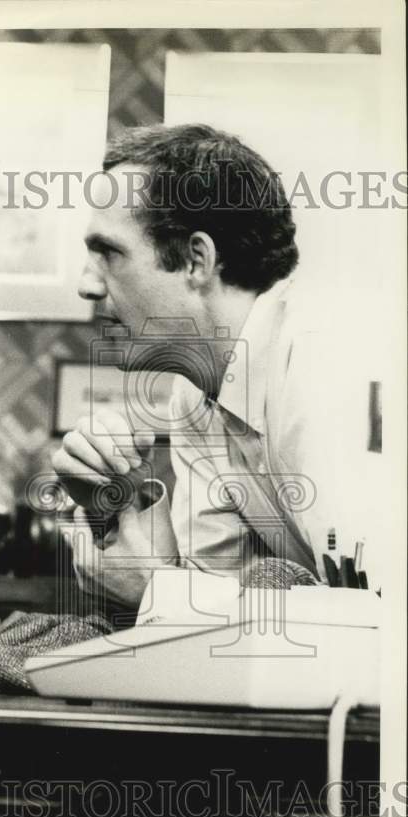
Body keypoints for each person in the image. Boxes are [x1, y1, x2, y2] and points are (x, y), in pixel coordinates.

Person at [53, 123, 380, 613]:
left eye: (109, 253)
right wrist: (124, 509)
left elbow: (375, 618)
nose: (86, 286)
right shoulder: (195, 393)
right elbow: (217, 605)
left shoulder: (325, 358)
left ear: (195, 261)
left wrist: (154, 594)